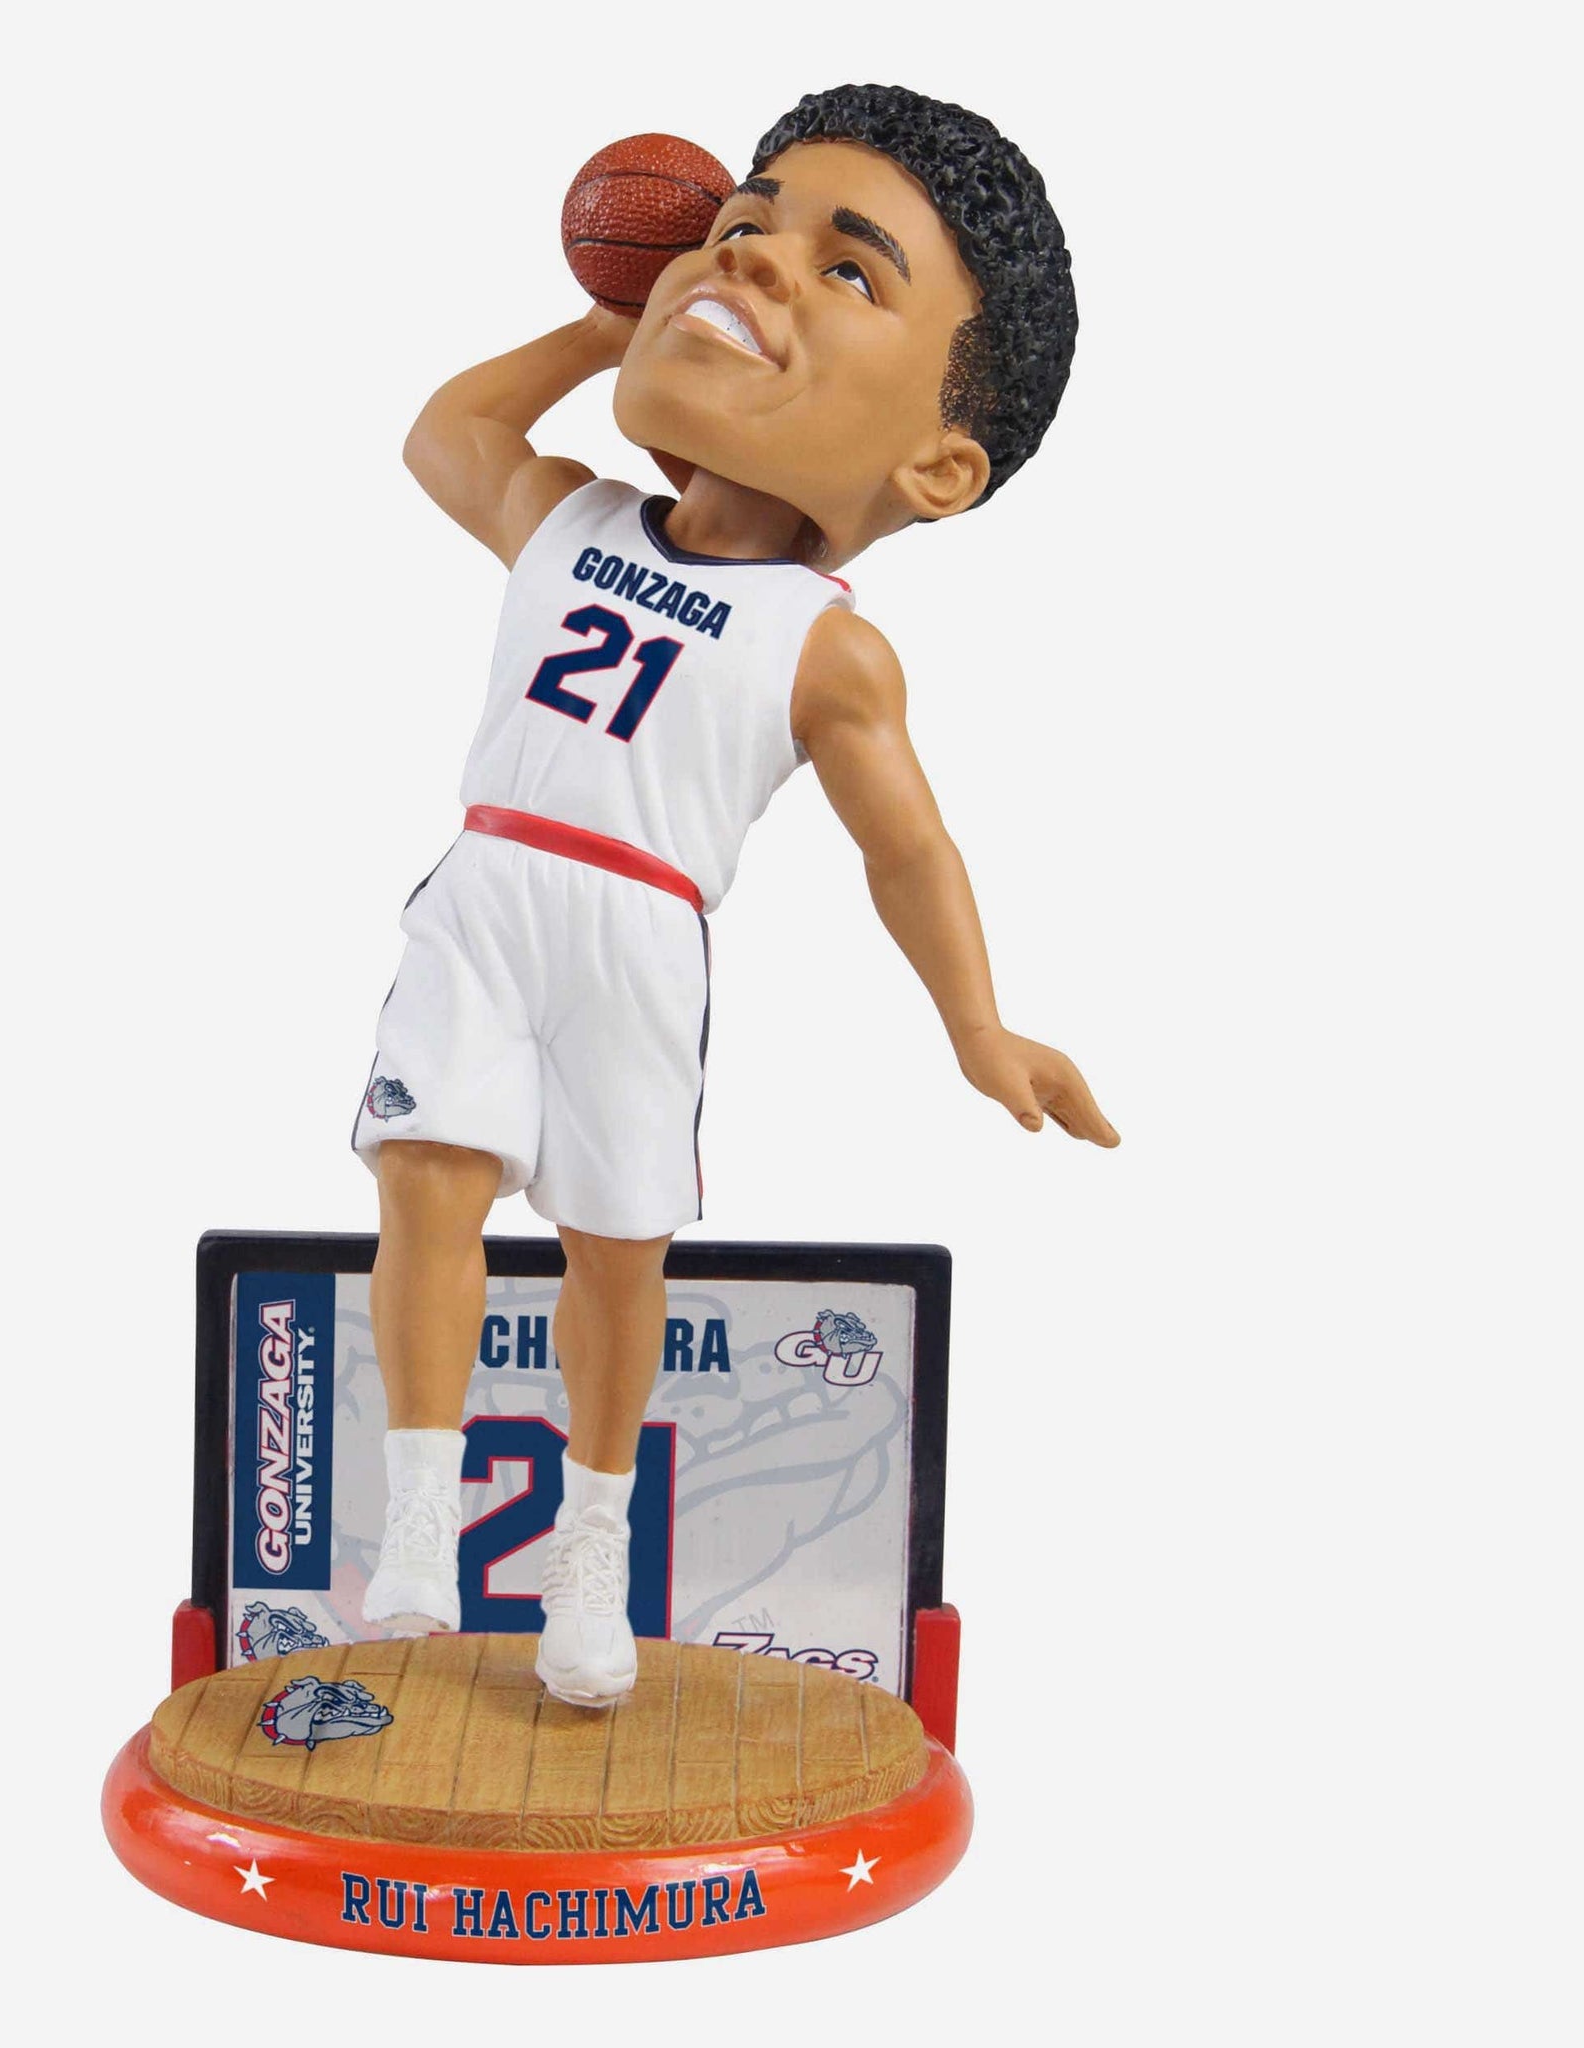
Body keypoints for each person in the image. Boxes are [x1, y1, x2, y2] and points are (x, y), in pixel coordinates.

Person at [352, 84, 1118, 1707]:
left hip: (640, 927)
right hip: (488, 890)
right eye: (742, 221)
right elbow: (445, 436)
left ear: (938, 465)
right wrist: (606, 319)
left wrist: (978, 1027)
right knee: (424, 1177)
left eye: (846, 270)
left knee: (616, 1253)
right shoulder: (572, 516)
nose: (753, 256)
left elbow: (909, 852)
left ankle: (590, 1551)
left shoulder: (825, 647)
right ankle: (419, 1525)